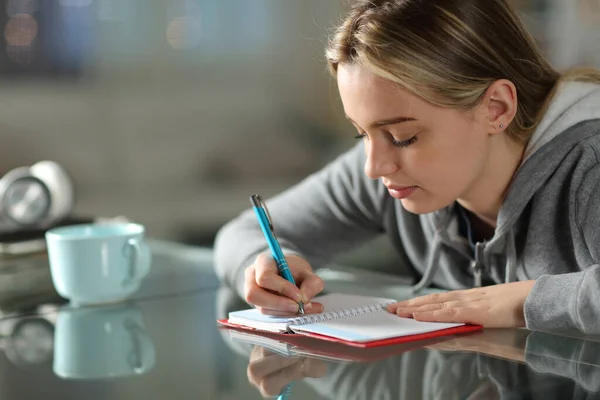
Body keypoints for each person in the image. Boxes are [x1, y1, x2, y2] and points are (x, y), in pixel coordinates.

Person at [213, 0, 600, 334]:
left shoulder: (589, 167)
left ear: (496, 108)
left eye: (403, 137)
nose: (374, 167)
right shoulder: (389, 170)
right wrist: (262, 267)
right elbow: (242, 233)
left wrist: (523, 301)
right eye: (361, 134)